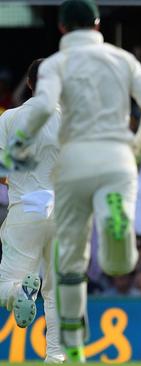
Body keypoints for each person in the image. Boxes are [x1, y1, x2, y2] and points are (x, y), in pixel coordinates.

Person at [9, 0, 141, 361]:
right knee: (118, 265)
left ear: (62, 29)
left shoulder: (57, 65)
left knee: (70, 265)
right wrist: (139, 145)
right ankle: (115, 218)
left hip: (75, 164)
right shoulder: (121, 59)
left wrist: (15, 145)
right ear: (97, 25)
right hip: (117, 159)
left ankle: (73, 344)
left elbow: (43, 107)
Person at [0, 59, 65, 363]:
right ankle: (56, 356)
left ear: (29, 84)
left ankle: (17, 293)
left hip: (25, 208)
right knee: (57, 291)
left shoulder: (9, 118)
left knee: (5, 287)